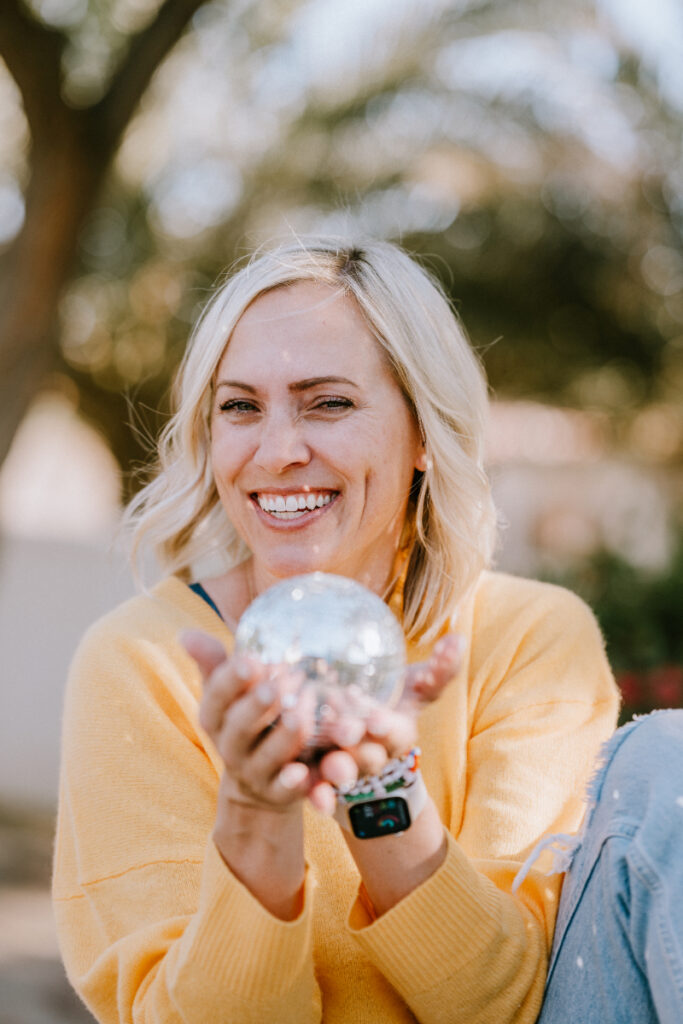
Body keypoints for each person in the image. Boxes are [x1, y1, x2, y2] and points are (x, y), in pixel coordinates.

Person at [53, 238, 620, 1024]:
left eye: (329, 403)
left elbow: (514, 1002)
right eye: (240, 406)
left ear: (424, 432)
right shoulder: (141, 665)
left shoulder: (527, 641)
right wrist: (254, 818)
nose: (279, 452)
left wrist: (378, 791)